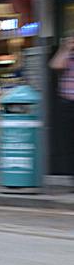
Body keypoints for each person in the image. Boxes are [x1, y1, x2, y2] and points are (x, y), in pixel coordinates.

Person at [49, 35, 74, 180]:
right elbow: (55, 65)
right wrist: (66, 48)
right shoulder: (67, 53)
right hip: (67, 102)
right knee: (68, 140)